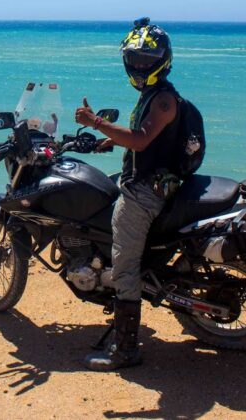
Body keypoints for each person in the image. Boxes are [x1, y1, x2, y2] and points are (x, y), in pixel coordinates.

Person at [74, 18, 179, 371]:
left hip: (145, 192)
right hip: (148, 177)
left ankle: (126, 350)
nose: (139, 66)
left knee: (123, 264)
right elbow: (142, 138)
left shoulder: (163, 100)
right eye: (134, 59)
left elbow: (141, 139)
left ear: (163, 60)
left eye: (147, 59)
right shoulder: (154, 95)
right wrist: (109, 141)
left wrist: (96, 122)